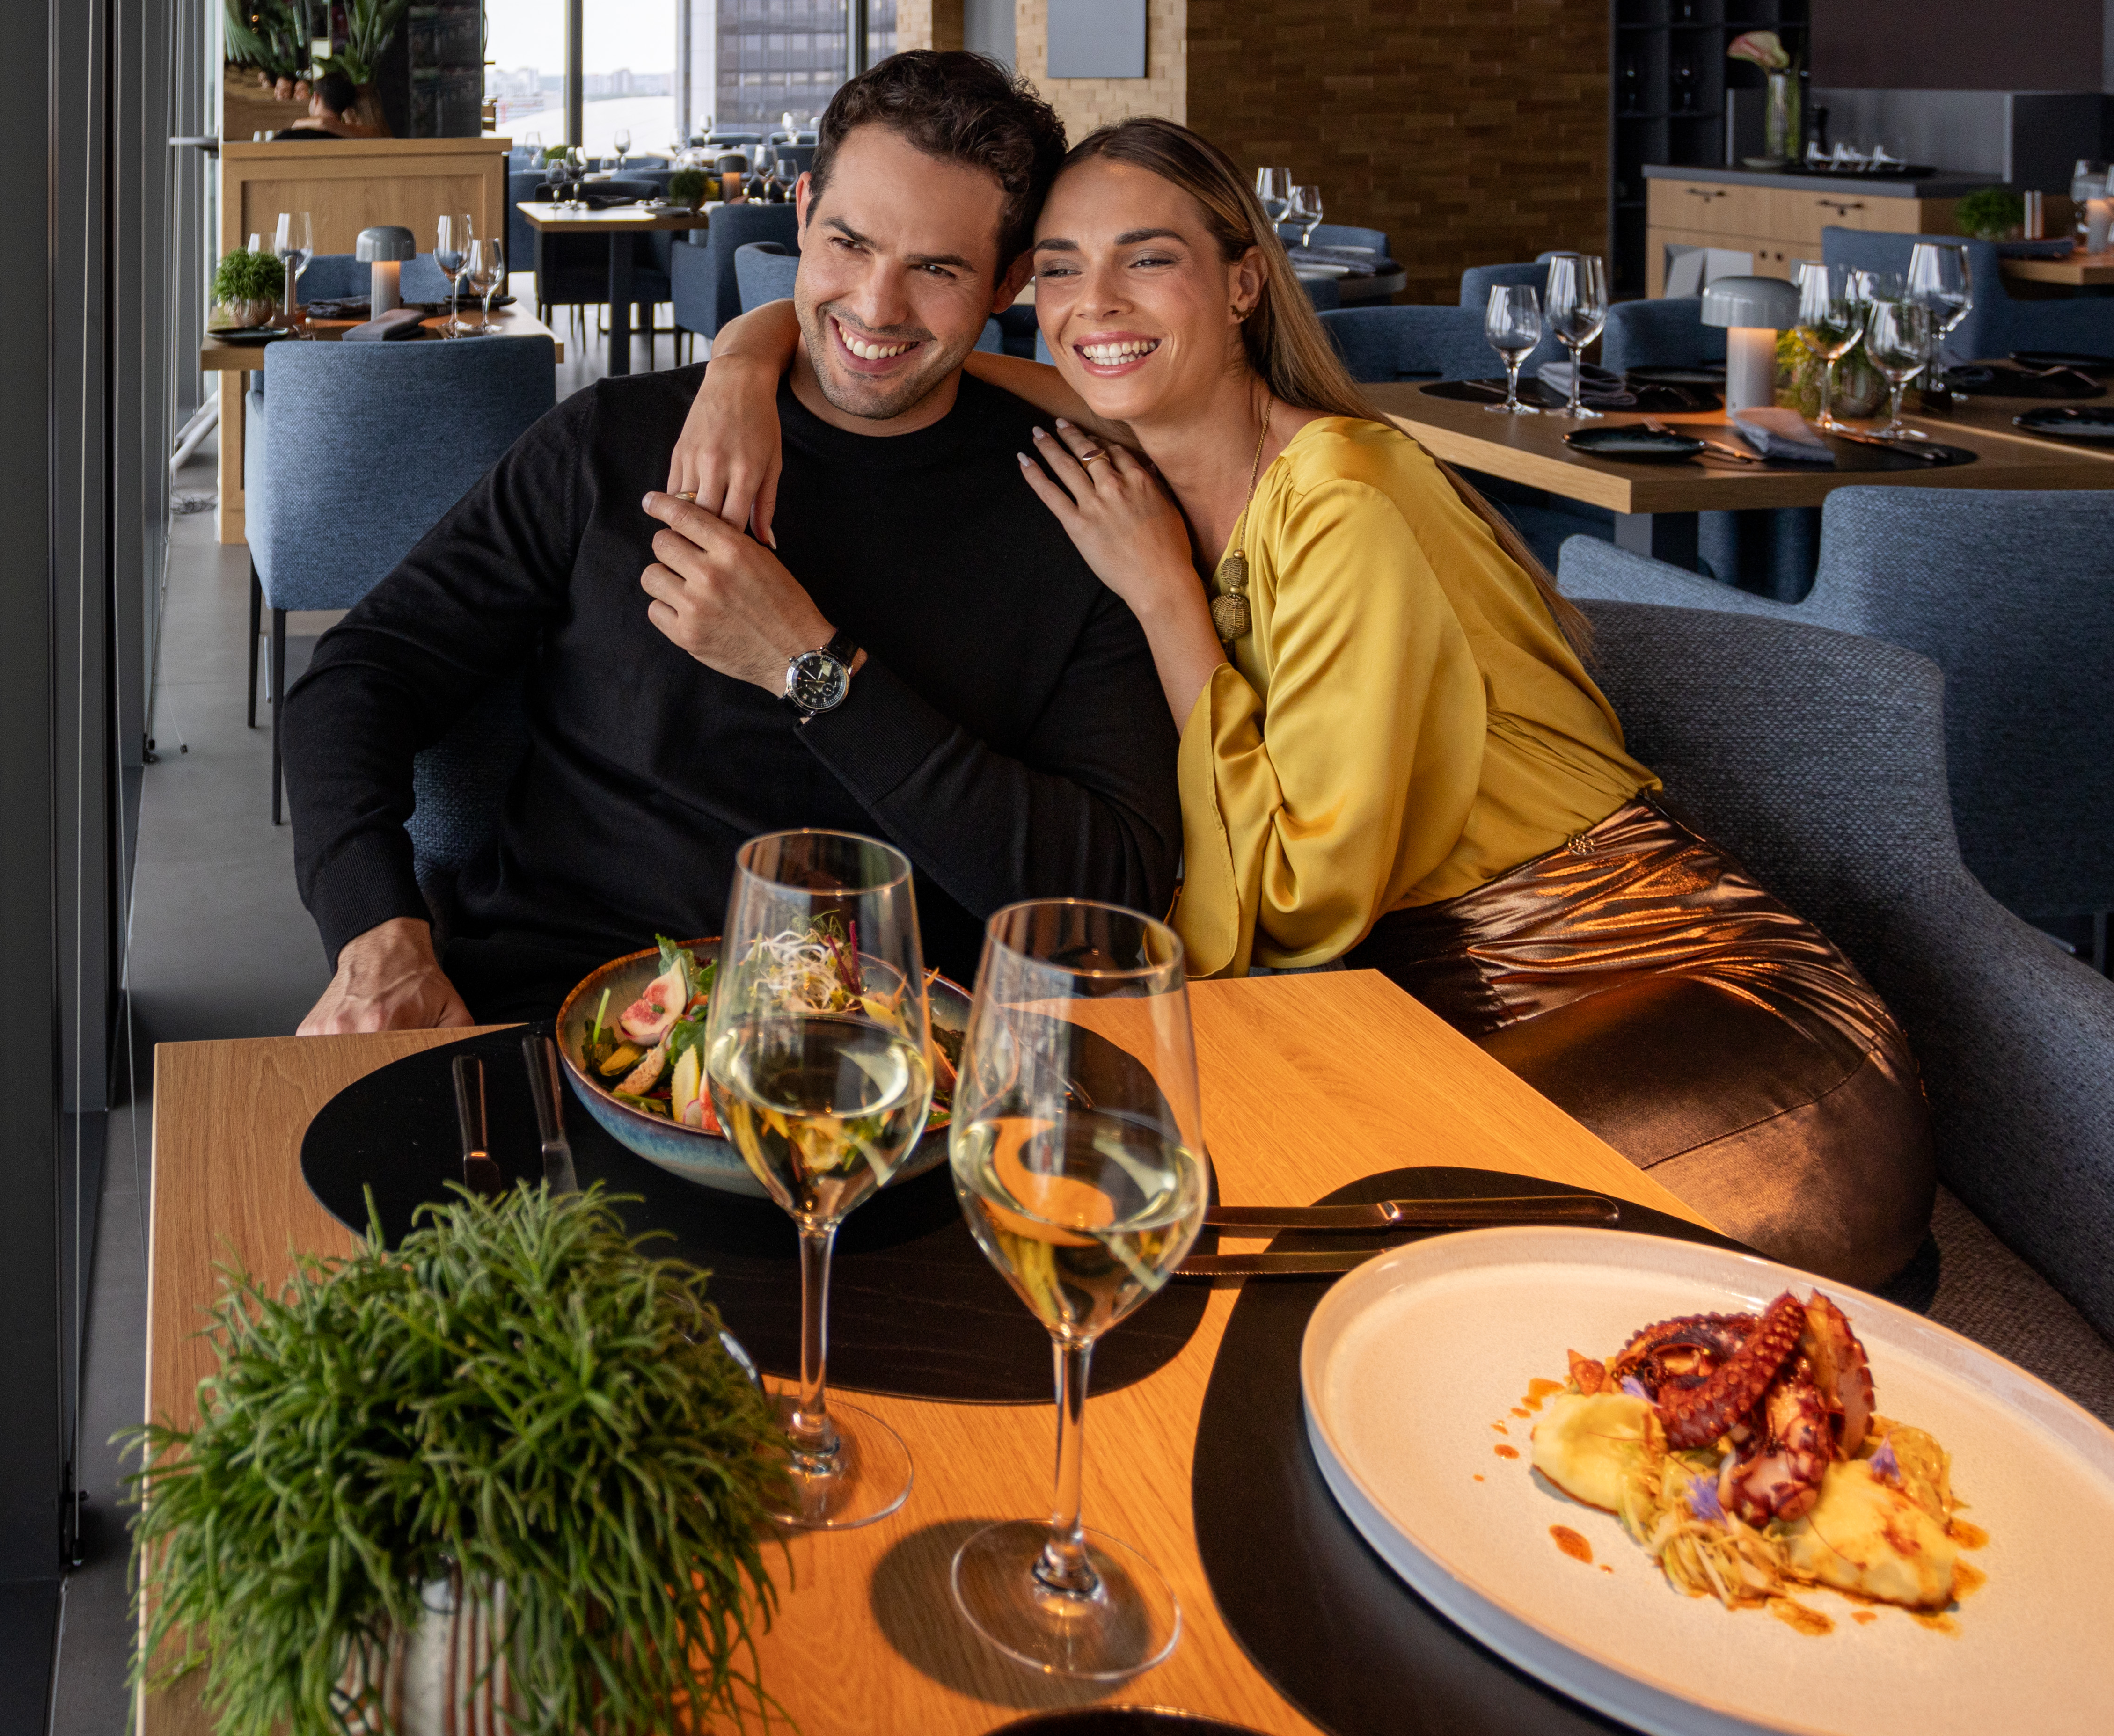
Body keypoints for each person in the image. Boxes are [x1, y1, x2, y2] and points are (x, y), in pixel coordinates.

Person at [671, 118, 1933, 1284]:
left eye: (1143, 259)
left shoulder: (1339, 496)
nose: (1092, 305)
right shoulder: (1135, 451)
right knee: (1083, 1193)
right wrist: (742, 354)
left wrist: (1169, 601)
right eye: (1057, 270)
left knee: (1266, 1240)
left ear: (1239, 281)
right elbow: (906, 362)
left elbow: (1295, 905)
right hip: (1415, 1009)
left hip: (1682, 1005)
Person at [280, 51, 1181, 1036]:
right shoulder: (611, 444)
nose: (877, 308)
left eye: (937, 268)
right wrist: (378, 932)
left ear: (1009, 278)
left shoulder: (1080, 504)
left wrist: (814, 670)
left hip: (908, 1062)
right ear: (801, 213)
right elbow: (362, 673)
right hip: (564, 1015)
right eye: (849, 243)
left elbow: (1112, 890)